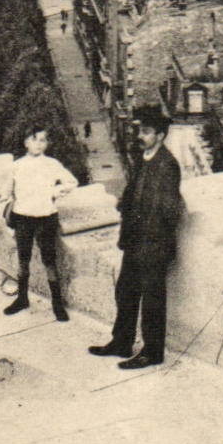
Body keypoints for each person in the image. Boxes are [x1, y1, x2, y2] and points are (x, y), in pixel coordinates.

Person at [90, 106, 183, 369]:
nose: (140, 136)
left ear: (161, 135)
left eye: (146, 132)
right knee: (126, 292)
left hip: (153, 245)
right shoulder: (145, 158)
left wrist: (150, 241)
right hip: (135, 242)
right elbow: (133, 197)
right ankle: (121, 342)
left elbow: (167, 210)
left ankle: (152, 352)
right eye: (140, 131)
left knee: (152, 300)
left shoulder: (167, 165)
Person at [4, 127, 76, 321]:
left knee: (49, 260)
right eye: (34, 139)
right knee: (23, 259)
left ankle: (57, 304)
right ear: (26, 142)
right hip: (22, 217)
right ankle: (22, 298)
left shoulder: (52, 164)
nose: (38, 144)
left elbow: (71, 182)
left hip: (45, 217)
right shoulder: (16, 166)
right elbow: (6, 192)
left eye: (43, 140)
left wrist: (55, 192)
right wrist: (9, 201)